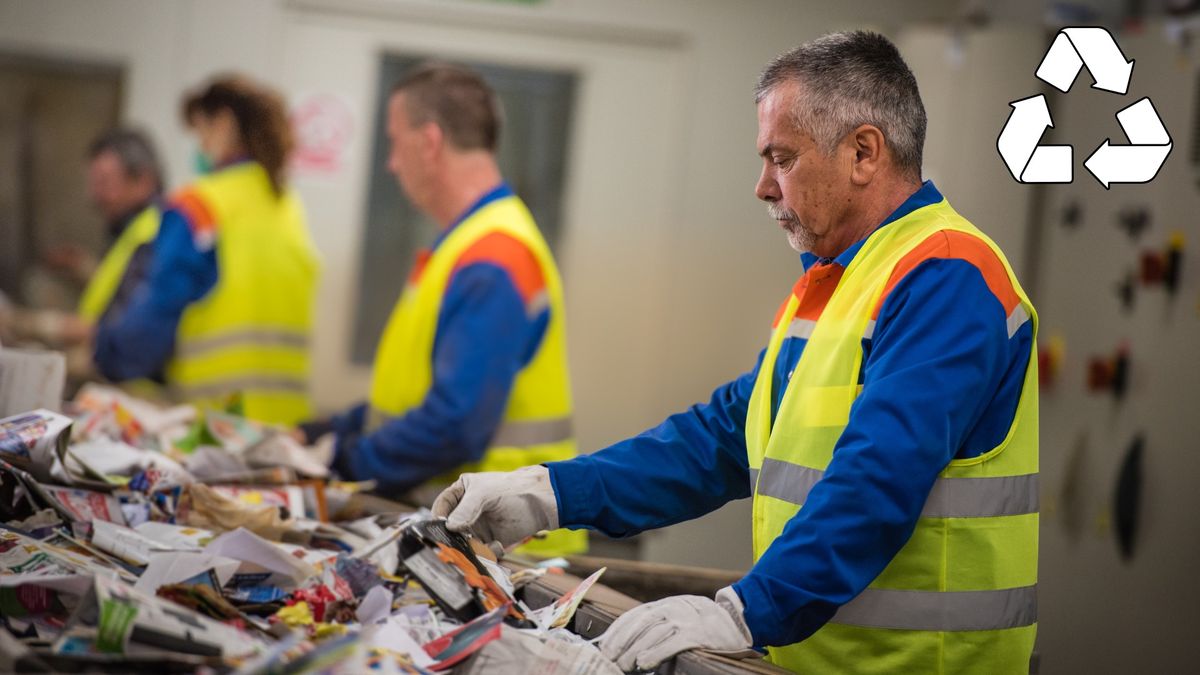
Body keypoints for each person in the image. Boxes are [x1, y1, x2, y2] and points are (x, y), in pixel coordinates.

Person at [433, 31, 1038, 674]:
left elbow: (879, 479)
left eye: (783, 158)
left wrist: (748, 609)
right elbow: (724, 437)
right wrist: (551, 493)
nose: (764, 187)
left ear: (864, 152)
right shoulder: (834, 279)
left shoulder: (947, 274)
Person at [299, 63, 585, 557]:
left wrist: (343, 461)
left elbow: (454, 425)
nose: (391, 163)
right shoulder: (469, 245)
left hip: (505, 552)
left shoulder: (493, 256)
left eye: (395, 142)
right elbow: (418, 393)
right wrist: (331, 430)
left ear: (429, 142)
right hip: (476, 539)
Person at [94, 75, 320, 425]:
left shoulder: (199, 206)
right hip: (284, 432)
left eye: (200, 130)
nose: (199, 145)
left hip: (211, 430)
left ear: (225, 124)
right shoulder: (288, 207)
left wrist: (103, 352)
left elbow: (147, 330)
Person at [9, 129, 164, 349]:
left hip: (124, 377)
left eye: (105, 182)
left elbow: (122, 323)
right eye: (93, 183)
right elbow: (118, 288)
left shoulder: (154, 233)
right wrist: (83, 267)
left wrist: (26, 324)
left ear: (143, 181)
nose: (94, 196)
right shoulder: (133, 228)